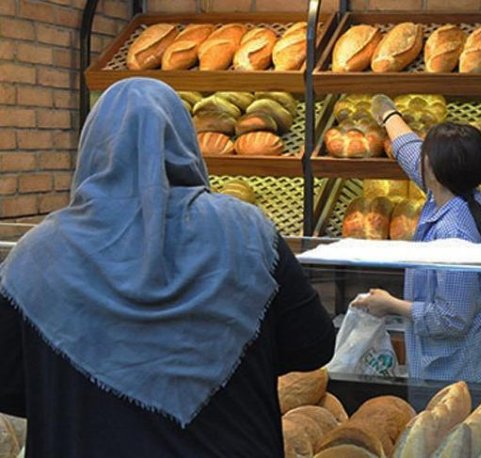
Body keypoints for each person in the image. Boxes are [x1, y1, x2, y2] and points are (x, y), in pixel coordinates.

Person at [0, 78, 335, 457]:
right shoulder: (246, 230)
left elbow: (9, 384)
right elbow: (314, 346)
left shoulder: (40, 252)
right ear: (185, 143)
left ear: (93, 149)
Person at [352, 94, 481, 385]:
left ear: (434, 170)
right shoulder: (461, 194)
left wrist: (390, 304)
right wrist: (387, 113)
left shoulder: (454, 234)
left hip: (456, 376)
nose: (419, 156)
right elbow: (409, 151)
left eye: (426, 154)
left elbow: (452, 319)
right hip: (447, 368)